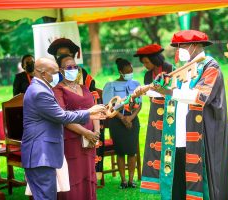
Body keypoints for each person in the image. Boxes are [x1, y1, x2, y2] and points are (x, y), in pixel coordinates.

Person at [136, 30, 228, 199]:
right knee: (178, 179)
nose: (177, 50)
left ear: (194, 46)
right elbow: (166, 92)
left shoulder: (211, 66)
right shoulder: (184, 68)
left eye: (181, 46)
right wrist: (146, 91)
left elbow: (199, 97)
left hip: (203, 134)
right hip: (179, 135)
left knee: (203, 182)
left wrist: (166, 91)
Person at [21, 57, 106, 200]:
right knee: (45, 196)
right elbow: (62, 116)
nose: (57, 76)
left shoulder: (40, 88)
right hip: (41, 154)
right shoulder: (40, 92)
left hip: (43, 153)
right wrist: (90, 112)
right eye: (54, 72)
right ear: (42, 73)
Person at [48, 38, 104, 177]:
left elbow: (92, 98)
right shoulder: (52, 76)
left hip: (89, 121)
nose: (64, 57)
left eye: (67, 54)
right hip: (65, 126)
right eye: (60, 55)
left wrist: (95, 129)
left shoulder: (83, 74)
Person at [53, 54, 100, 200]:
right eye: (69, 67)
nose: (73, 69)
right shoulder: (58, 90)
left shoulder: (85, 88)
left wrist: (96, 132)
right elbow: (63, 117)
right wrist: (85, 132)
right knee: (73, 177)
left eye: (75, 67)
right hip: (71, 140)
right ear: (61, 71)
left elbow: (95, 109)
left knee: (88, 174)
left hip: (90, 140)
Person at [133, 44, 172, 193]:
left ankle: (170, 175)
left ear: (155, 59)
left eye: (147, 62)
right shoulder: (147, 75)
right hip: (156, 112)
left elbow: (173, 90)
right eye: (143, 63)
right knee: (156, 143)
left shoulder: (169, 69)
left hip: (170, 110)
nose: (145, 65)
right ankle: (155, 179)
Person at [102, 58, 141, 189]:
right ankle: (123, 181)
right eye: (127, 71)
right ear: (120, 71)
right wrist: (123, 118)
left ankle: (131, 180)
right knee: (120, 152)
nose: (130, 73)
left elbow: (139, 104)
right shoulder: (110, 85)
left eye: (131, 70)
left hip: (133, 120)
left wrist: (131, 118)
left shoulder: (136, 84)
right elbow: (109, 105)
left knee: (132, 151)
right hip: (116, 121)